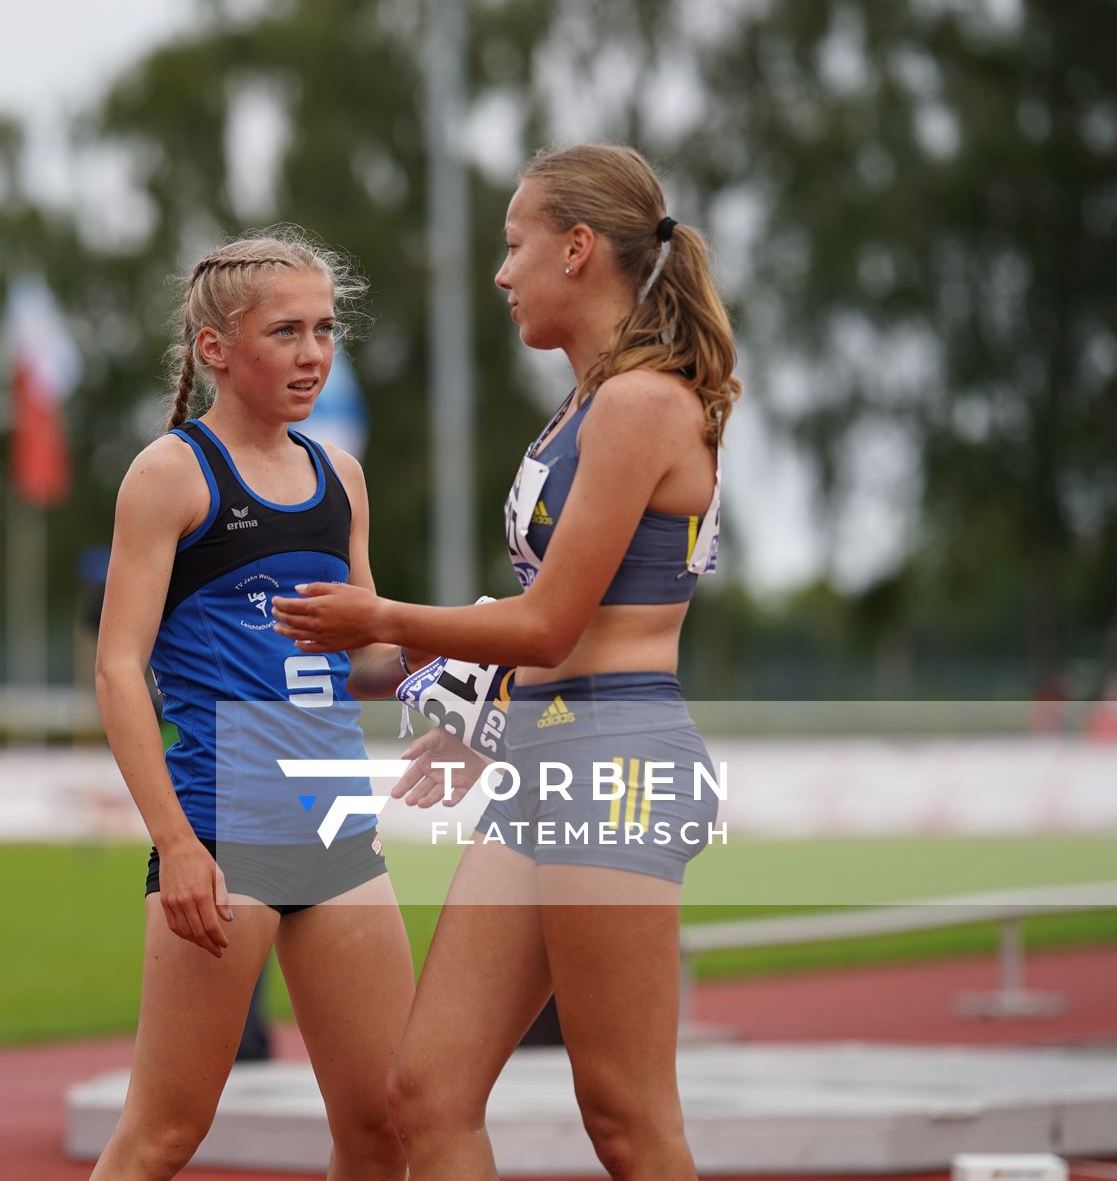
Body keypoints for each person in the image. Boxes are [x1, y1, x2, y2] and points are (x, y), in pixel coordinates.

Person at [273, 144, 740, 1181]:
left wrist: (384, 616)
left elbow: (547, 626)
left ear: (578, 250)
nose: (501, 272)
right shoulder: (587, 402)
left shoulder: (640, 404)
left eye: (513, 244)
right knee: (426, 1095)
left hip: (612, 758)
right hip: (549, 752)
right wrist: (403, 657)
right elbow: (529, 632)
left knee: (625, 1115)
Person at [91, 229, 415, 1180]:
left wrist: (458, 653)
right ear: (216, 350)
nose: (315, 352)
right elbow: (119, 671)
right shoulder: (170, 475)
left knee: (384, 1122)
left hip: (336, 825)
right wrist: (178, 843)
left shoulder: (341, 478)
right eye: (287, 331)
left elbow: (362, 664)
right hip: (225, 829)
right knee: (163, 1135)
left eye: (326, 328)